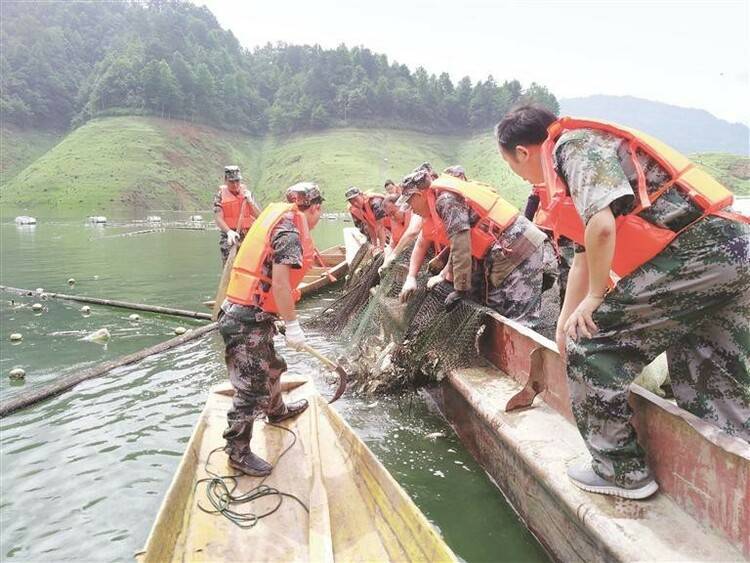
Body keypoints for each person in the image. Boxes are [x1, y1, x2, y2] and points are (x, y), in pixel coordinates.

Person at [495, 104, 750, 499]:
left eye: (515, 168)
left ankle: (622, 473)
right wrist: (564, 319)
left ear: (523, 152)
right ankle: (738, 473)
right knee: (711, 369)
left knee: (592, 345)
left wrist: (595, 300)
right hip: (733, 252)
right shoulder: (579, 157)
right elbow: (583, 250)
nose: (526, 179)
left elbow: (600, 226)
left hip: (696, 252)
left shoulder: (570, 147)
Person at [218, 182, 325, 476]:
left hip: (254, 314)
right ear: (315, 208)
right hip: (243, 319)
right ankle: (237, 451)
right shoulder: (290, 231)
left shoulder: (282, 219)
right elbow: (279, 283)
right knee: (250, 385)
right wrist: (292, 326)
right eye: (319, 213)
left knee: (273, 366)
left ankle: (276, 412)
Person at [396, 167, 547, 328]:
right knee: (495, 309)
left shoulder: (445, 200)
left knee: (519, 318)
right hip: (500, 252)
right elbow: (457, 243)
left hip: (519, 246)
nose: (411, 210)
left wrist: (460, 289)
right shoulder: (438, 201)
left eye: (410, 203)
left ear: (419, 195)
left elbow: (461, 244)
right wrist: (446, 276)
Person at [213, 166, 261, 264]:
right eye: (231, 182)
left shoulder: (247, 194)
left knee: (250, 265)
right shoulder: (220, 196)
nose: (235, 184)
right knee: (230, 265)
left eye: (237, 181)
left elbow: (260, 216)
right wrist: (229, 232)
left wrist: (251, 202)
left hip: (248, 235)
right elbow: (218, 218)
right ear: (225, 180)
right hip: (230, 236)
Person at [345, 186, 387, 251]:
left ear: (361, 195)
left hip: (391, 228)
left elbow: (380, 227)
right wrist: (374, 245)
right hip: (382, 229)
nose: (355, 203)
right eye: (351, 202)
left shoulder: (375, 203)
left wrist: (381, 248)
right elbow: (370, 226)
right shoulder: (359, 208)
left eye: (356, 199)